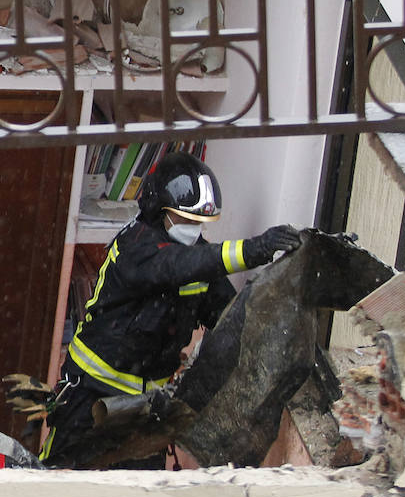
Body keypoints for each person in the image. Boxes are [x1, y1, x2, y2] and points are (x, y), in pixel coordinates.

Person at [41, 151, 302, 468]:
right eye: (184, 219)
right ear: (156, 210)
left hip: (145, 411)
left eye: (199, 222)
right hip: (91, 397)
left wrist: (281, 329)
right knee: (57, 484)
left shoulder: (197, 257)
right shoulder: (136, 248)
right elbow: (176, 266)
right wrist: (254, 249)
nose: (192, 229)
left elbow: (231, 317)